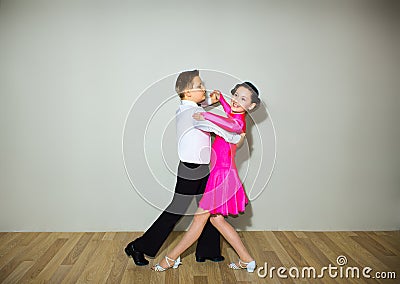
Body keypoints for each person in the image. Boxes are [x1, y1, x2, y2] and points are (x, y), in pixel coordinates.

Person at [125, 70, 243, 266]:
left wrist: (210, 102)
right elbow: (214, 127)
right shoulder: (193, 114)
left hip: (204, 167)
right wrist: (235, 137)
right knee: (176, 211)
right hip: (191, 169)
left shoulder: (187, 109)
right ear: (187, 92)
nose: (203, 88)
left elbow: (199, 108)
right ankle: (138, 247)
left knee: (209, 209)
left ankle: (207, 251)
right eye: (198, 86)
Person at [152, 82, 261, 273]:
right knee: (217, 220)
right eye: (235, 95)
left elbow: (228, 123)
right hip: (222, 175)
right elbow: (231, 111)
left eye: (242, 99)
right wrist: (225, 101)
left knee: (198, 221)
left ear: (251, 106)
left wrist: (206, 114)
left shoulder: (237, 122)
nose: (236, 100)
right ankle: (247, 260)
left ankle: (170, 259)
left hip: (222, 177)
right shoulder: (235, 114)